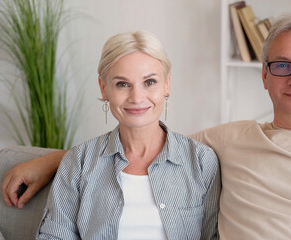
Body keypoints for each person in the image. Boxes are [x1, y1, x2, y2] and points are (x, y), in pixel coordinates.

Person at [2, 15, 291, 239]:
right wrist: (54, 161)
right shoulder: (226, 143)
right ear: (264, 75)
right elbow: (142, 143)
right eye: (282, 66)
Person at [30, 30, 220, 239]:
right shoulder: (78, 162)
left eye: (149, 82)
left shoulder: (202, 162)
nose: (137, 97)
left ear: (167, 84)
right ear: (104, 88)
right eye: (122, 84)